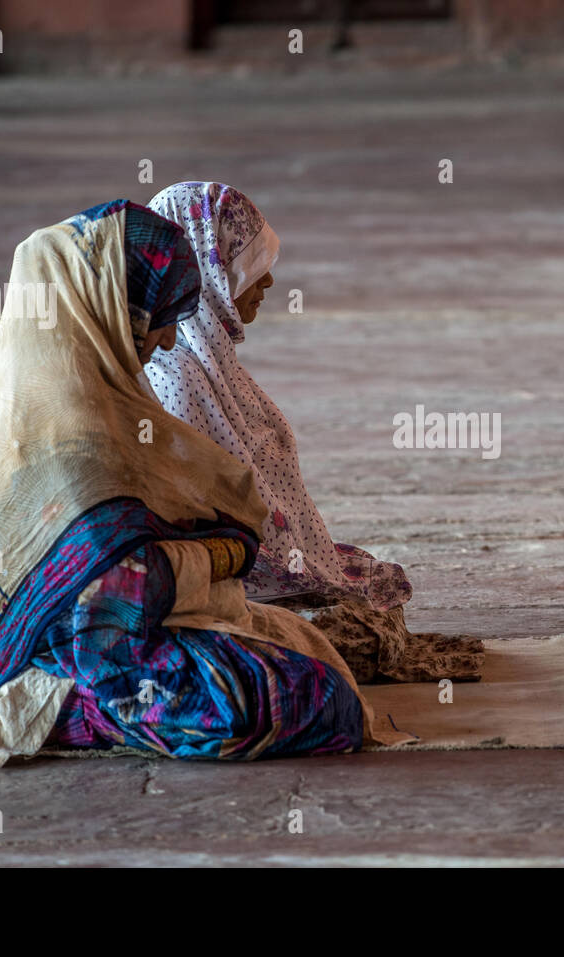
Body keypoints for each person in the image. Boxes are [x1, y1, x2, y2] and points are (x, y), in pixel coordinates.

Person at [0, 199, 407, 765]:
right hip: (80, 660)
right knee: (307, 699)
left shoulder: (66, 394)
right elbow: (112, 601)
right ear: (107, 304)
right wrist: (225, 553)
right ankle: (69, 715)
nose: (170, 342)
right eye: (158, 317)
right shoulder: (66, 430)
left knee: (311, 657)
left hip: (89, 641)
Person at [144, 182, 482, 683]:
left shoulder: (207, 364)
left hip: (252, 568)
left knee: (370, 590)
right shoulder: (173, 375)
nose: (269, 282)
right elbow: (209, 522)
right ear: (207, 273)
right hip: (221, 582)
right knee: (352, 635)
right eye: (248, 264)